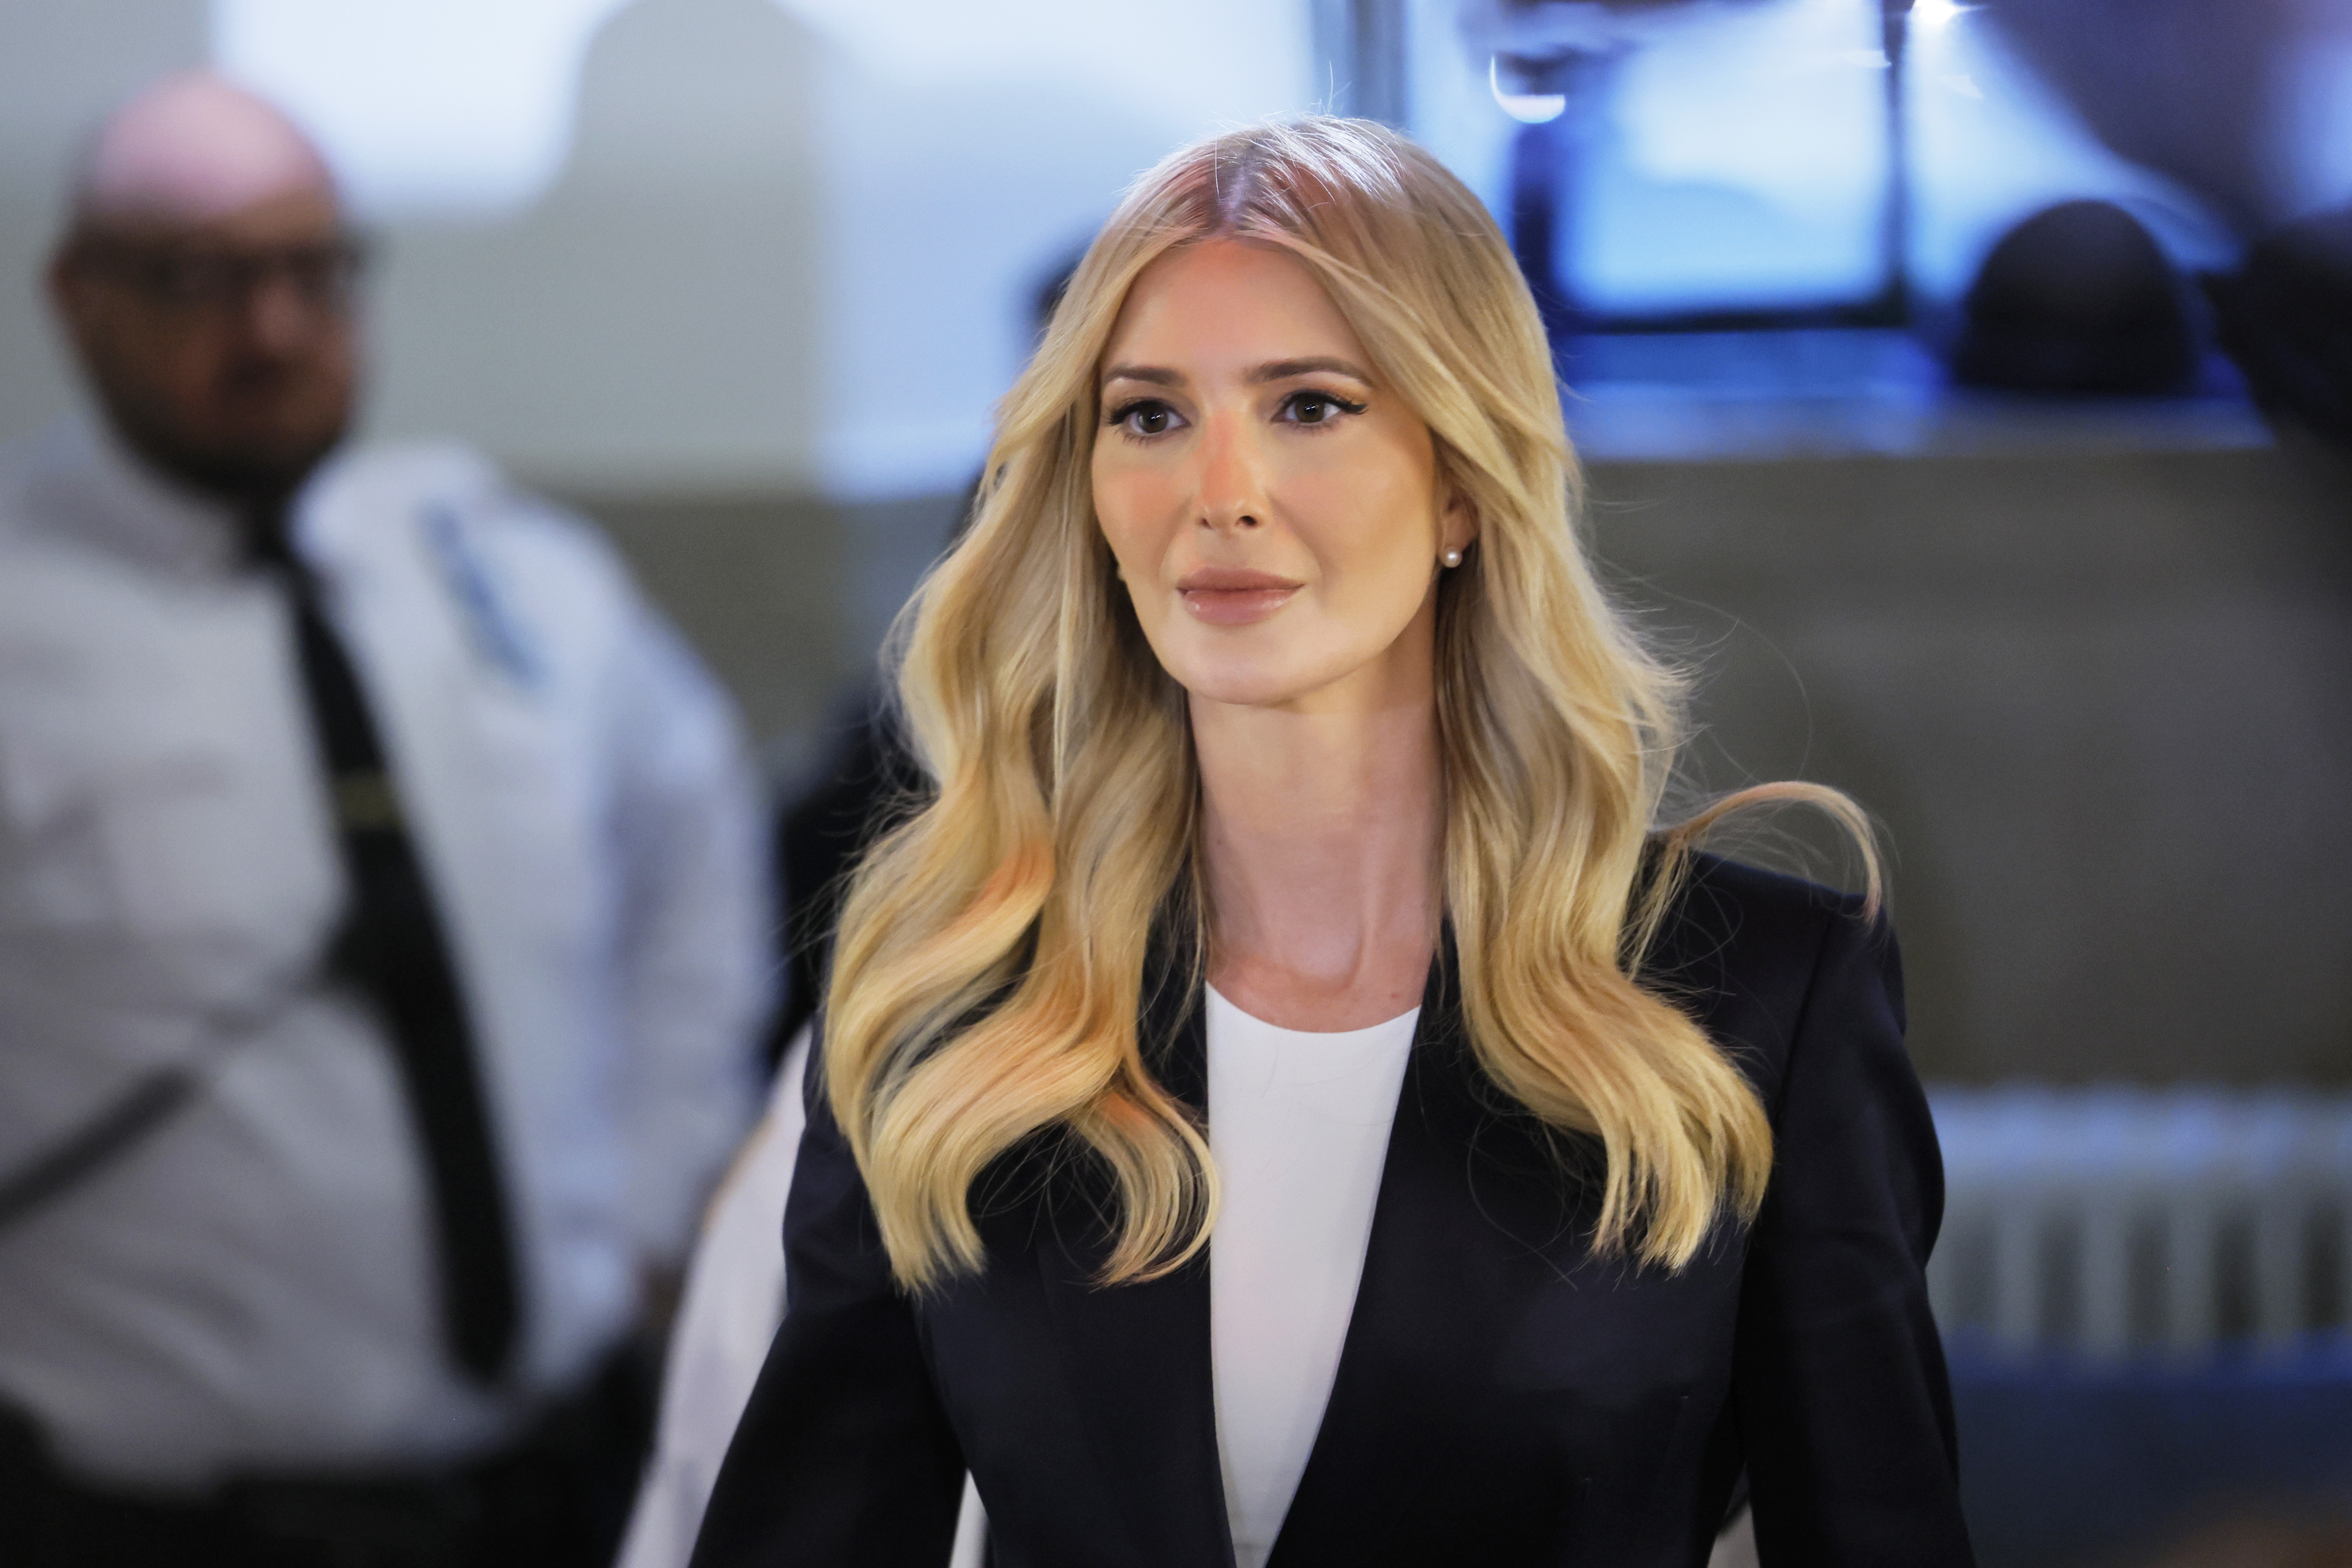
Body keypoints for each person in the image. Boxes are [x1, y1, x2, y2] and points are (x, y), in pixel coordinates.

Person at [691, 117, 1972, 1567]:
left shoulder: (1755, 997)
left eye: (1308, 405)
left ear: (1463, 482)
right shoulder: (952, 997)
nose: (1218, 491)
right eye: (1149, 414)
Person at [0, 71, 770, 1567]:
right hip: (146, 1520)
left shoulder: (498, 564)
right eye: (201, 282)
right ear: (79, 297)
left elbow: (693, 859)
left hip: (556, 1488)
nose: (273, 328)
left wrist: (659, 1192)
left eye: (312, 271)